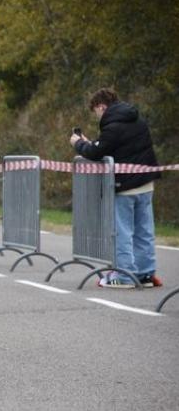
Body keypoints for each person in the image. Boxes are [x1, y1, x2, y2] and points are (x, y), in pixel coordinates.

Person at [70, 88, 162, 288]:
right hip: (146, 184)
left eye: (96, 111)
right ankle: (146, 274)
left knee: (122, 232)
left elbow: (96, 152)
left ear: (101, 106)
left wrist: (78, 144)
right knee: (144, 231)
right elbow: (111, 146)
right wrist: (91, 143)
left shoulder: (112, 127)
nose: (97, 116)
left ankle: (125, 277)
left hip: (124, 186)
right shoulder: (137, 120)